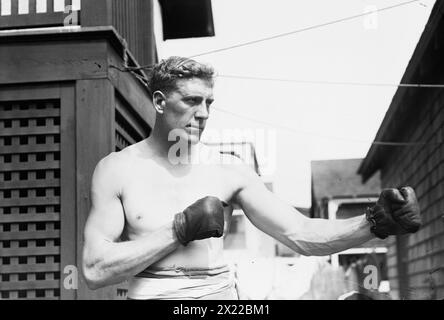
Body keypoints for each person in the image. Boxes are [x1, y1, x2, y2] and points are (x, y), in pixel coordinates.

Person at [81, 56, 421, 300]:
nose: (203, 114)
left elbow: (299, 232)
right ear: (159, 101)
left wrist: (371, 223)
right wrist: (178, 229)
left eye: (209, 103)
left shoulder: (229, 169)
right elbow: (95, 270)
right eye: (191, 101)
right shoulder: (117, 169)